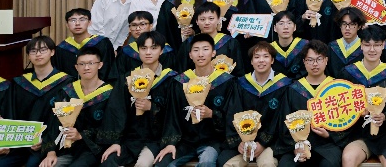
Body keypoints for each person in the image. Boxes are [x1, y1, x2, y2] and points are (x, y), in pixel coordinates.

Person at [99, 31, 181, 167]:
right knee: (108, 162)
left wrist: (152, 108)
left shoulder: (171, 80)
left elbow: (175, 114)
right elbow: (116, 110)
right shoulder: (127, 79)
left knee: (142, 164)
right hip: (130, 140)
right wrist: (115, 142)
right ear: (138, 51)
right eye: (143, 48)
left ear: (161, 51)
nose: (148, 52)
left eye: (153, 48)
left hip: (157, 140)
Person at [0, 37, 73, 167]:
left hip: (48, 144)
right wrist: (6, 141)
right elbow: (10, 113)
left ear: (52, 52)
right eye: (33, 51)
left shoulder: (66, 83)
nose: (38, 54)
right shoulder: (19, 83)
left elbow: (65, 120)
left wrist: (46, 143)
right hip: (19, 143)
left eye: (43, 50)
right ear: (28, 56)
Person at [276, 40, 352, 167]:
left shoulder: (336, 88)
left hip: (327, 145)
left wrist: (330, 134)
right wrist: (295, 147)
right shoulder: (294, 89)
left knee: (329, 164)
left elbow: (347, 120)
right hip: (298, 145)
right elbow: (284, 122)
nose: (315, 64)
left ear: (326, 61)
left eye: (319, 59)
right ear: (304, 62)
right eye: (310, 60)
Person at [165, 33, 236, 167]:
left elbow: (232, 114)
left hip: (213, 140)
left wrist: (212, 114)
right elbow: (172, 114)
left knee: (207, 161)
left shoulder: (226, 81)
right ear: (190, 55)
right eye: (196, 50)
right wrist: (171, 143)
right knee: (164, 163)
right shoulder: (180, 82)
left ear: (213, 53)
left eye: (205, 49)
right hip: (185, 140)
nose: (201, 54)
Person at [217, 42, 291, 167]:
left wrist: (262, 143)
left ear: (272, 60)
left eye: (266, 56)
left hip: (270, 143)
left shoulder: (283, 85)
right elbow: (232, 114)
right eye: (256, 57)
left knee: (267, 164)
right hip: (244, 143)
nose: (261, 60)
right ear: (251, 62)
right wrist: (240, 142)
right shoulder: (241, 84)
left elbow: (281, 118)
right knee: (228, 164)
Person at [40, 47, 114, 167]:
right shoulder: (67, 91)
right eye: (82, 64)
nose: (86, 67)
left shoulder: (109, 94)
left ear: (100, 65)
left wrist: (81, 135)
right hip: (65, 148)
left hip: (93, 149)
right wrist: (50, 152)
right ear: (76, 67)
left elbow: (110, 128)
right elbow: (54, 123)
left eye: (91, 63)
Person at [339, 26, 386, 167]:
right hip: (359, 134)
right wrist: (356, 112)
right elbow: (340, 105)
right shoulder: (348, 73)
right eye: (367, 45)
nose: (372, 49)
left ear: (383, 45)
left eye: (377, 45)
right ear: (361, 46)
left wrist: (385, 116)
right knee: (348, 158)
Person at [177, 3, 242, 73]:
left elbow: (238, 71)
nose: (207, 22)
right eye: (202, 19)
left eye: (211, 19)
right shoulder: (189, 43)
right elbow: (182, 71)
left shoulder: (230, 42)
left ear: (218, 20)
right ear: (197, 21)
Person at [53, 8, 115, 81]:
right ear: (67, 25)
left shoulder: (102, 43)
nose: (77, 23)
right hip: (69, 87)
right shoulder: (62, 48)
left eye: (82, 19)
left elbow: (109, 70)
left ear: (89, 22)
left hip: (99, 86)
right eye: (73, 20)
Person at [114, 11, 175, 77]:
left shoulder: (166, 50)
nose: (138, 28)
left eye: (142, 24)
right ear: (129, 28)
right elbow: (118, 77)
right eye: (134, 25)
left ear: (151, 26)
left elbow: (173, 75)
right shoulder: (126, 51)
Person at [327, 7, 366, 76]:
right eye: (344, 24)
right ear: (340, 25)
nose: (347, 28)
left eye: (352, 24)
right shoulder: (332, 47)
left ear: (359, 26)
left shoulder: (365, 48)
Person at [270, 11, 308, 79]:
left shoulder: (305, 46)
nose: (285, 27)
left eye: (289, 23)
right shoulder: (269, 49)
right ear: (275, 28)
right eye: (281, 23)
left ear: (295, 27)